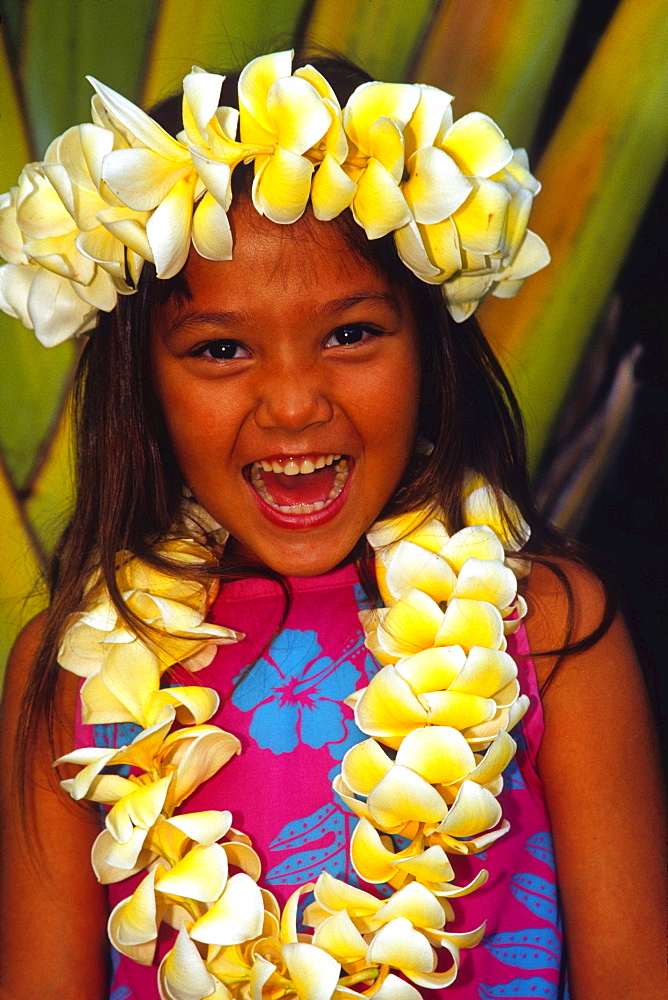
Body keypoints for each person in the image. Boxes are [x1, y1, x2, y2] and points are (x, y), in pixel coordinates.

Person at [0, 50, 665, 1000]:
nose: (293, 404)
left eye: (351, 333)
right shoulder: (74, 670)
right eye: (221, 349)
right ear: (141, 382)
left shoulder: (548, 628)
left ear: (430, 344)